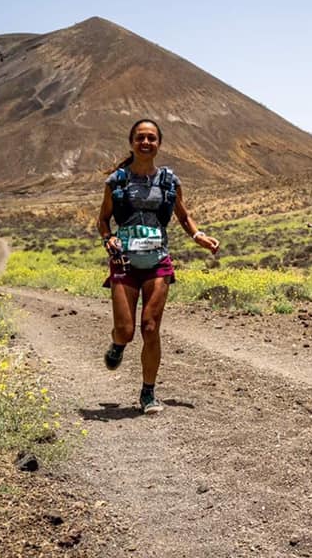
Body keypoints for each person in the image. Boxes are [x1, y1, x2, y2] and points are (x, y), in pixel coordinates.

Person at [97, 119, 220, 414]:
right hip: (124, 263)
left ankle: (148, 393)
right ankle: (117, 345)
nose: (146, 142)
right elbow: (102, 220)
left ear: (159, 144)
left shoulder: (169, 181)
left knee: (150, 328)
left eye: (152, 138)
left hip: (158, 262)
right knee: (125, 331)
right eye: (140, 137)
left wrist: (198, 236)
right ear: (132, 143)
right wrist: (108, 238)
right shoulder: (117, 181)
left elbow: (183, 215)